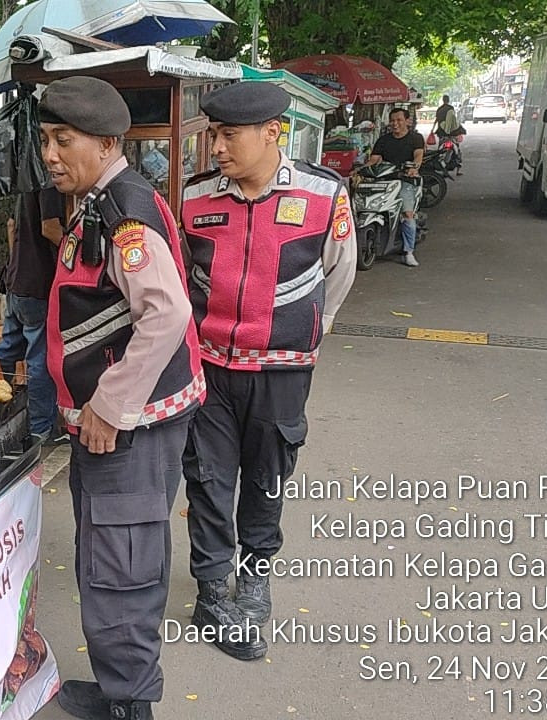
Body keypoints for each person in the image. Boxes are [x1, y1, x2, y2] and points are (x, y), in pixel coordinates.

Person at [39, 76, 205, 720]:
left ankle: (131, 702)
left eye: (64, 140)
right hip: (116, 421)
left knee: (122, 562)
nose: (50, 154)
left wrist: (109, 405)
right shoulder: (101, 201)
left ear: (106, 142)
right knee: (107, 553)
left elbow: (165, 314)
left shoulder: (122, 213)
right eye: (46, 140)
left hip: (128, 426)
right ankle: (119, 686)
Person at [179, 82, 357, 661]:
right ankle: (211, 588)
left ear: (271, 133)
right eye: (213, 134)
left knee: (267, 475)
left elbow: (339, 269)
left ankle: (254, 578)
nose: (217, 148)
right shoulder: (196, 197)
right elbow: (183, 276)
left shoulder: (323, 193)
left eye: (229, 135)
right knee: (207, 478)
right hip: (208, 366)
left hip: (282, 369)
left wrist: (310, 326)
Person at [0, 185, 65, 440]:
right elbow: (50, 228)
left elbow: (11, 226)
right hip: (38, 285)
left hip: (16, 281)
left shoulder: (25, 183)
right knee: (39, 361)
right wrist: (77, 253)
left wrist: (15, 264)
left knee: (7, 350)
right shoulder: (51, 184)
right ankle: (40, 430)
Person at [365, 106, 424, 267]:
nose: (395, 124)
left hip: (406, 181)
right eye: (392, 121)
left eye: (399, 120)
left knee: (408, 214)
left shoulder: (415, 138)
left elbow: (418, 155)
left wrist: (414, 168)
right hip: (384, 180)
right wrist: (361, 170)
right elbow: (374, 159)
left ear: (407, 121)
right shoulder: (383, 140)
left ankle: (408, 252)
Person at [432, 94, 464, 175]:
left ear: (443, 100)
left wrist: (432, 129)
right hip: (452, 133)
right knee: (457, 150)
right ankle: (458, 170)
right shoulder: (451, 108)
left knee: (440, 151)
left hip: (441, 133)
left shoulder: (439, 109)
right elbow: (453, 121)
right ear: (448, 100)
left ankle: (442, 169)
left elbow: (436, 120)